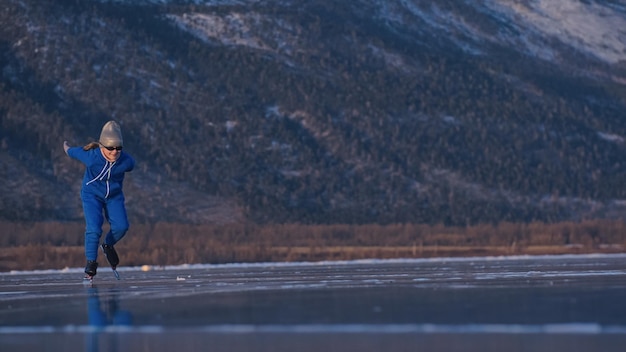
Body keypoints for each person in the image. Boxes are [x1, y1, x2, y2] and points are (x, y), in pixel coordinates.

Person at [64, 121, 135, 278]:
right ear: (102, 146)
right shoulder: (91, 157)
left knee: (122, 227)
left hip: (114, 196)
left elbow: (132, 164)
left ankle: (108, 244)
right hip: (92, 195)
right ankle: (91, 263)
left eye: (118, 148)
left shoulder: (126, 161)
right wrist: (66, 147)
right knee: (94, 228)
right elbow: (73, 152)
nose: (114, 152)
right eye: (110, 148)